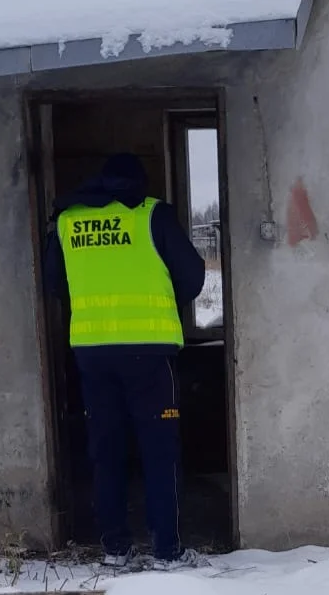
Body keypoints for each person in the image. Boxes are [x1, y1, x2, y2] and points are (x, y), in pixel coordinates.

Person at [43, 153, 206, 571]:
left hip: (93, 353)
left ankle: (115, 550)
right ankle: (167, 551)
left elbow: (54, 283)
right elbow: (191, 274)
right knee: (159, 451)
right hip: (149, 352)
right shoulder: (152, 215)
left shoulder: (67, 220)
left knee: (106, 450)